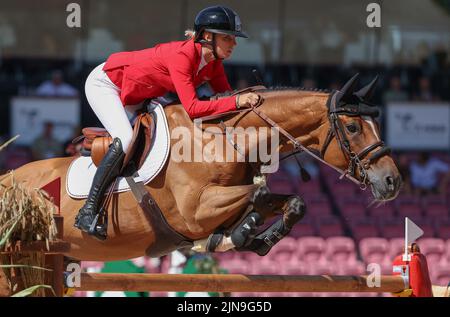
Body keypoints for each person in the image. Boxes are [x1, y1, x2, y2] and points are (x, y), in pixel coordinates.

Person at [74, 5, 261, 239]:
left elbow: (227, 99)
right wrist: (238, 102)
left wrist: (253, 103)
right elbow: (194, 108)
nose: (233, 44)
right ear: (206, 36)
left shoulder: (213, 64)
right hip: (108, 83)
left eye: (233, 39)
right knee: (126, 137)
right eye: (227, 38)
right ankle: (88, 211)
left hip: (143, 93)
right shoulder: (182, 57)